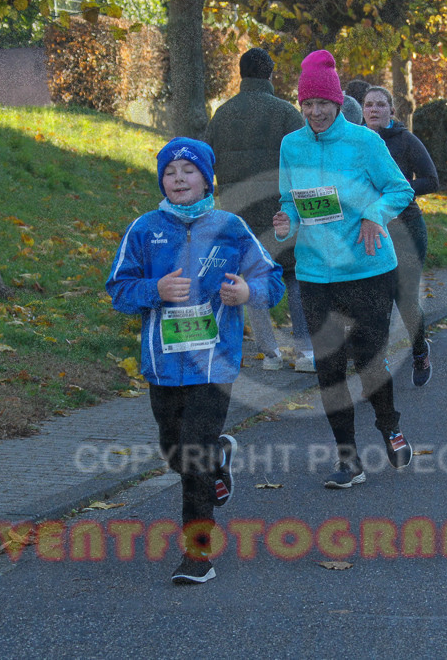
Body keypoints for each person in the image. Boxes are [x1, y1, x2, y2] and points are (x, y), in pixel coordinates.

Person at [106, 138, 286, 583]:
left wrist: (248, 293)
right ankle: (220, 459)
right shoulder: (145, 229)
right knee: (175, 450)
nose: (179, 179)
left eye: (189, 171)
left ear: (207, 179)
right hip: (163, 367)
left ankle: (197, 556)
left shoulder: (231, 227)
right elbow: (119, 288)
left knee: (193, 455)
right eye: (170, 172)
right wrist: (155, 291)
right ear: (161, 181)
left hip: (214, 365)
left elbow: (272, 280)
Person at [274, 49, 415, 488]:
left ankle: (389, 425)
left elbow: (399, 188)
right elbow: (289, 202)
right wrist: (286, 223)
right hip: (315, 274)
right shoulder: (291, 145)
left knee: (370, 362)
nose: (315, 112)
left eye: (323, 104)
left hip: (367, 269)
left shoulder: (365, 142)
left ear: (338, 104)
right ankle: (348, 460)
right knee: (329, 368)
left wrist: (374, 214)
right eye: (308, 104)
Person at [204, 48, 313, 373]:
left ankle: (270, 353)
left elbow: (206, 162)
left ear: (241, 73)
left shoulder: (222, 115)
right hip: (282, 209)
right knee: (294, 276)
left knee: (252, 276)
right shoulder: (286, 113)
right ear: (269, 74)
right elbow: (304, 158)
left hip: (238, 210)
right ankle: (306, 352)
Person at [362, 85, 440, 387]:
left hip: (405, 227)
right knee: (372, 299)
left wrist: (398, 187)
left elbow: (431, 180)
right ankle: (376, 365)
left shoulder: (405, 141)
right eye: (368, 105)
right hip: (369, 229)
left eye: (380, 105)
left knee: (404, 297)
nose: (373, 110)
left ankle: (420, 349)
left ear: (391, 111)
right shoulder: (355, 142)